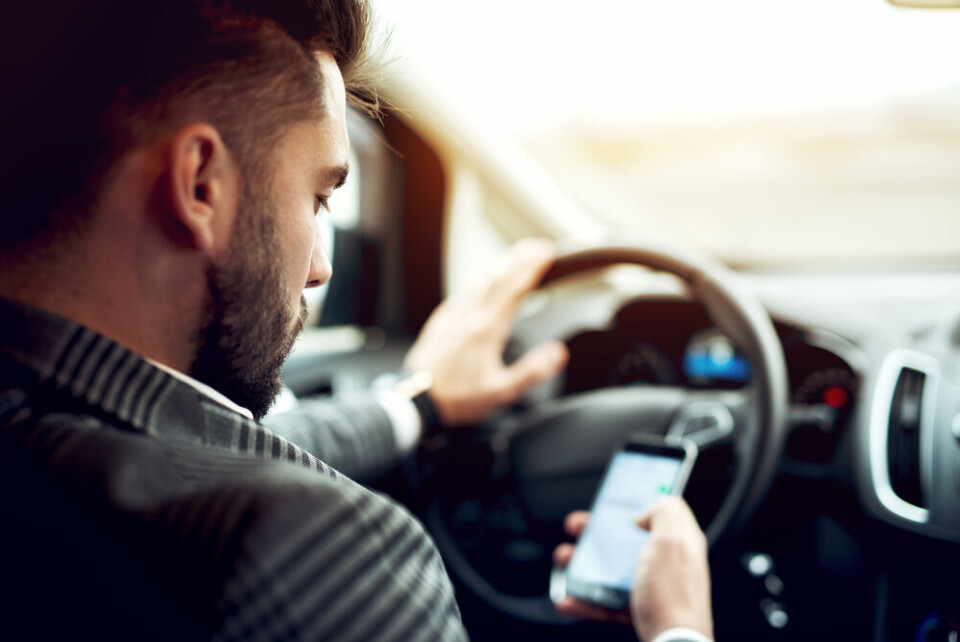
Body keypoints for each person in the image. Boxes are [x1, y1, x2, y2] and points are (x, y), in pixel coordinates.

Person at [0, 0, 712, 640]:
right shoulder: (313, 553)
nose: (320, 268)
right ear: (200, 187)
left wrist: (422, 402)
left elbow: (248, 439)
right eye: (317, 197)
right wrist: (679, 628)